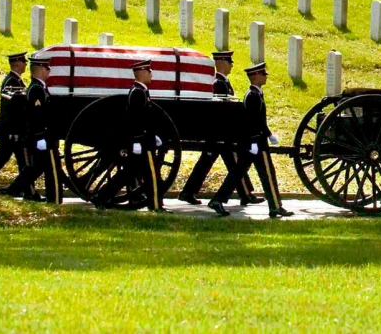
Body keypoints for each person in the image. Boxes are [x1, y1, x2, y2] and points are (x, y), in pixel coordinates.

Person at [209, 63, 293, 218]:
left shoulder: (256, 93)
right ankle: (275, 206)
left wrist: (268, 134)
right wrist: (255, 141)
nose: (265, 77)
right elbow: (250, 121)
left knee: (239, 173)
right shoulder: (253, 95)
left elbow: (259, 120)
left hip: (255, 141)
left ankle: (218, 200)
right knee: (266, 174)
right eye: (263, 74)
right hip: (254, 143)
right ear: (255, 76)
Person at [178, 51, 259, 206]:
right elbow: (221, 109)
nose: (231, 65)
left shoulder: (223, 82)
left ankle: (189, 192)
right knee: (232, 162)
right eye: (229, 62)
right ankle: (245, 194)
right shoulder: (218, 83)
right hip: (219, 131)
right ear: (221, 63)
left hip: (222, 131)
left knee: (216, 161)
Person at [96, 60, 167, 211]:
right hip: (142, 142)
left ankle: (100, 197)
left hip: (144, 140)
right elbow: (134, 119)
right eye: (149, 71)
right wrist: (136, 141)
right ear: (142, 73)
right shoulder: (138, 93)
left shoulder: (141, 91)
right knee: (151, 175)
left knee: (128, 174)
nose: (151, 74)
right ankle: (155, 206)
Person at [6, 56, 62, 204]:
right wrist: (41, 137)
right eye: (47, 68)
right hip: (41, 137)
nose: (49, 70)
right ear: (41, 70)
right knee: (50, 169)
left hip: (42, 137)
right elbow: (37, 116)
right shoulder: (36, 89)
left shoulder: (39, 87)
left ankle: (12, 190)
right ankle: (54, 198)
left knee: (36, 168)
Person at [0, 53, 30, 195]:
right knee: (20, 159)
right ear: (17, 63)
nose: (25, 64)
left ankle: (21, 188)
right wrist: (15, 131)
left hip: (10, 129)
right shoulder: (12, 81)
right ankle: (24, 189)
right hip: (11, 130)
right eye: (23, 62)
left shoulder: (15, 80)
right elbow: (12, 110)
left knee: (5, 157)